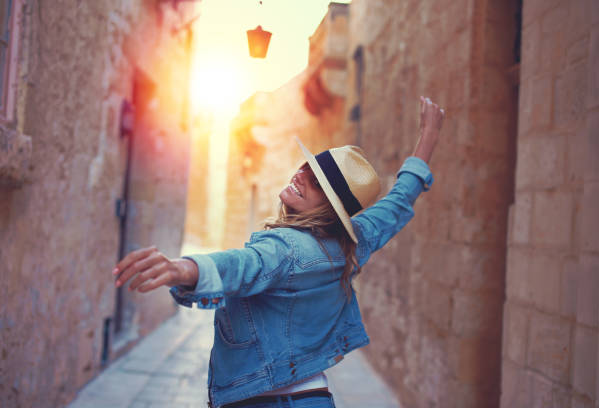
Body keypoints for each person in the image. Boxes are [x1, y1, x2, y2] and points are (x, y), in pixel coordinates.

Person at [113, 96, 445, 408]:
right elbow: (400, 199)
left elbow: (246, 265)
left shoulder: (286, 248)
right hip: (314, 396)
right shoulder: (355, 241)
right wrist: (428, 136)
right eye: (306, 167)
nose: (300, 176)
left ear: (331, 209)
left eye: (316, 183)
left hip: (267, 400)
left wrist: (186, 269)